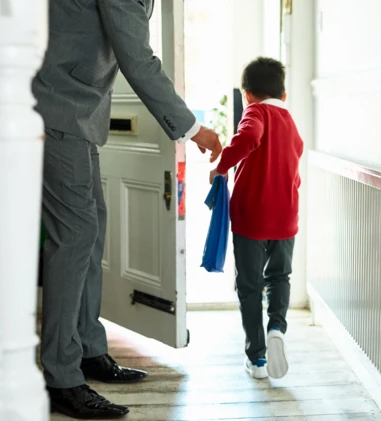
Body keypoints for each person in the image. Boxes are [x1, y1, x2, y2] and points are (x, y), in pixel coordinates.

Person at [32, 0, 222, 418]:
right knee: (76, 236)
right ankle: (61, 377)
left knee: (91, 227)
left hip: (76, 110)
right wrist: (193, 129)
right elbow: (137, 58)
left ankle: (87, 349)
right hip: (61, 106)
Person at [210, 57, 304, 380]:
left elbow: (249, 137)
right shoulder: (289, 119)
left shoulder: (256, 112)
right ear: (284, 94)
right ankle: (277, 327)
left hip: (253, 217)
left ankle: (258, 359)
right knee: (280, 277)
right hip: (286, 217)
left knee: (250, 286)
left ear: (247, 95)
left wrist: (221, 165)